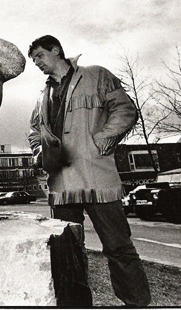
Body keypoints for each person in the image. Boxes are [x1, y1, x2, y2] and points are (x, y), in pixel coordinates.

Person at [27, 35, 151, 306]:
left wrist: (102, 139)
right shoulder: (41, 97)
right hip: (61, 186)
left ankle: (137, 303)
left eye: (39, 55)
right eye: (33, 59)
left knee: (119, 247)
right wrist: (40, 152)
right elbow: (34, 132)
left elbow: (125, 109)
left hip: (98, 180)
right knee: (67, 253)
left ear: (56, 50)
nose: (35, 62)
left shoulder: (96, 76)